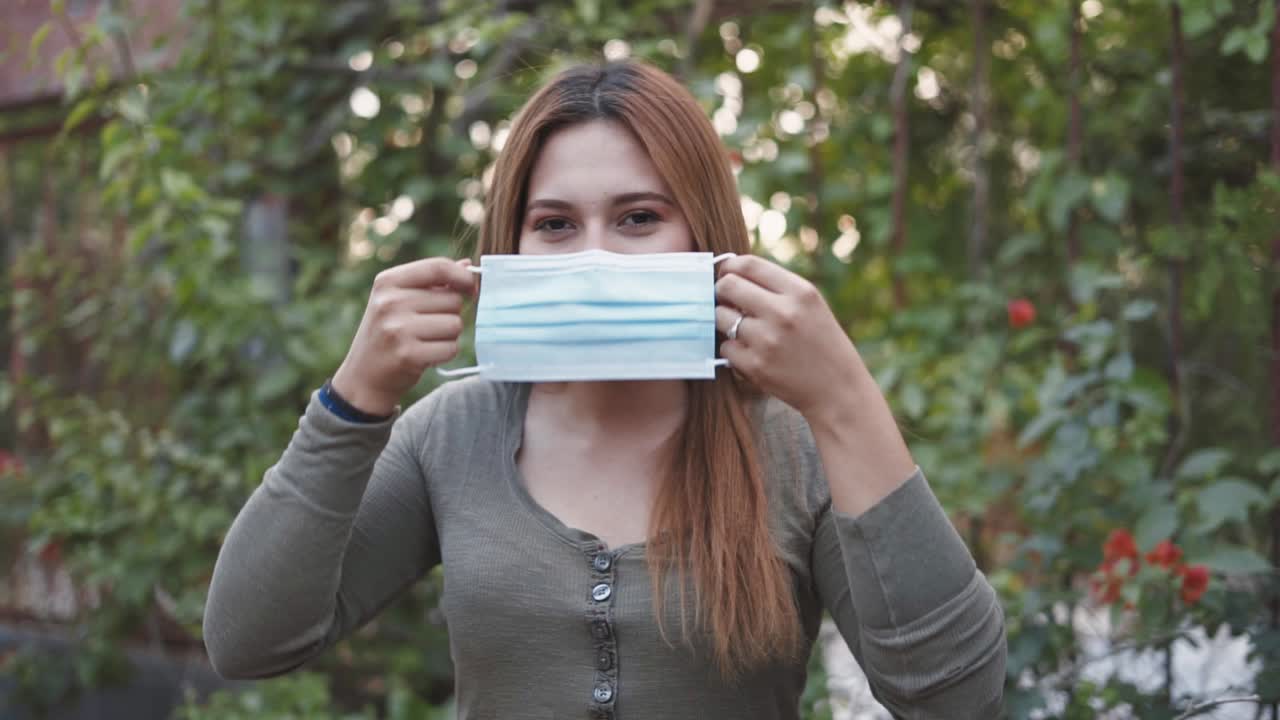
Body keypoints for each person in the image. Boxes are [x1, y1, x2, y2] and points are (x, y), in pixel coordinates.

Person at [203, 60, 1006, 719]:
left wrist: (844, 400)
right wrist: (353, 401)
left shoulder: (792, 443)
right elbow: (250, 639)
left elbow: (955, 698)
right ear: (505, 247)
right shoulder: (451, 433)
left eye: (637, 218)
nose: (594, 258)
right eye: (554, 225)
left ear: (705, 234)